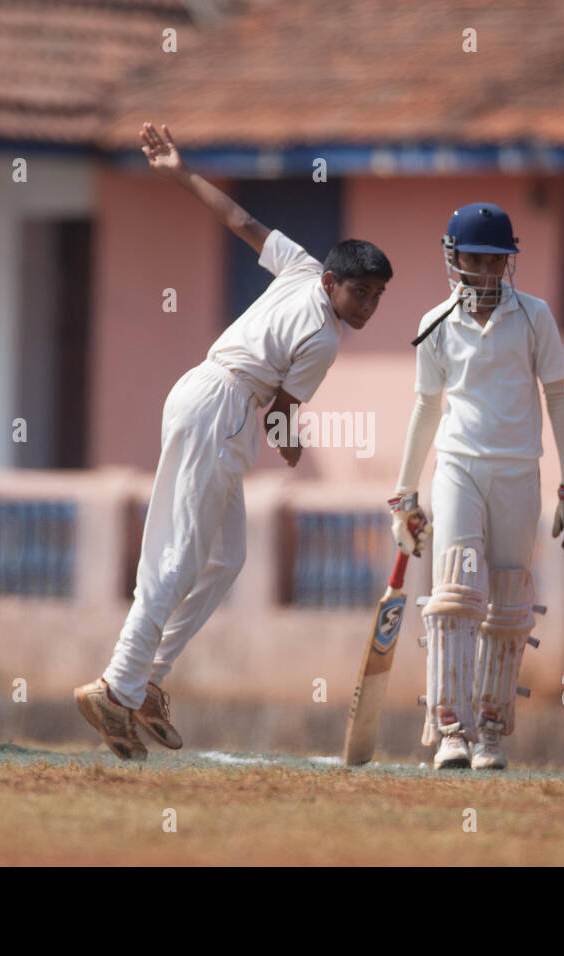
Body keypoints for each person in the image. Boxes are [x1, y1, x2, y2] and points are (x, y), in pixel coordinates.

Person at [76, 123, 393, 760]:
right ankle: (118, 683)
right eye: (360, 292)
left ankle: (146, 681)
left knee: (225, 558)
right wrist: (295, 446)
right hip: (224, 407)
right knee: (180, 556)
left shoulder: (301, 265)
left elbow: (240, 219)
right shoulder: (325, 337)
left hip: (201, 393)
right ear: (332, 282)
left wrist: (179, 172)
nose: (367, 306)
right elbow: (282, 410)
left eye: (377, 297)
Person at [389, 201, 564, 771]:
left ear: (510, 264)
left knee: (508, 605)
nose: (485, 273)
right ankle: (450, 727)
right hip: (457, 467)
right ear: (454, 258)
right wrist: (405, 495)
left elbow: (557, 397)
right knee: (455, 596)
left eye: (496, 261)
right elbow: (427, 407)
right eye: (475, 259)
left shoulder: (535, 317)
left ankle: (492, 732)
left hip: (518, 470)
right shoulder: (435, 323)